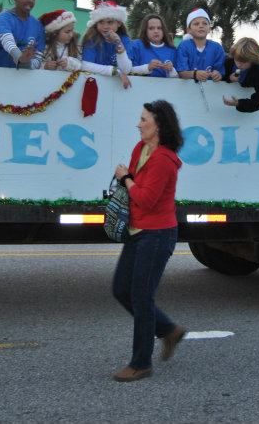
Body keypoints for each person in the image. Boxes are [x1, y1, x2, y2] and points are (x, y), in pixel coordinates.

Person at [111, 100, 185, 382]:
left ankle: (141, 363)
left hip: (157, 235)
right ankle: (169, 330)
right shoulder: (140, 149)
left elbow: (146, 199)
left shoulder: (164, 160)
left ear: (159, 126)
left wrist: (126, 178)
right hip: (137, 230)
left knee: (141, 298)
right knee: (120, 289)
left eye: (144, 120)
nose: (139, 124)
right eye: (140, 119)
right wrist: (128, 181)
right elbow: (133, 192)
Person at [40, 9, 127, 81]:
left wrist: (70, 63)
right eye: (67, 32)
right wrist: (45, 66)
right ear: (54, 33)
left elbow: (81, 65)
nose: (71, 34)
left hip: (68, 86)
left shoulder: (75, 46)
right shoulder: (45, 47)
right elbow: (35, 65)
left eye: (72, 30)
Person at [80, 1, 133, 88]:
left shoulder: (124, 39)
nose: (105, 26)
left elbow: (126, 70)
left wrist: (118, 44)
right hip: (94, 85)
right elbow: (86, 65)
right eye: (101, 22)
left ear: (119, 23)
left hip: (117, 88)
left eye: (110, 22)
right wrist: (115, 71)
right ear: (96, 23)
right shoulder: (92, 39)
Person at [223, 38, 259, 112]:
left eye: (244, 61)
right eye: (237, 59)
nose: (239, 64)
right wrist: (228, 78)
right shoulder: (229, 61)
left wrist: (239, 103)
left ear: (253, 60)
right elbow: (218, 77)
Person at [175, 8, 225, 81]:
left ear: (209, 29)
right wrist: (194, 74)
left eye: (205, 23)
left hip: (210, 89)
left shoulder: (217, 47)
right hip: (187, 89)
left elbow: (220, 71)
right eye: (196, 24)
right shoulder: (184, 46)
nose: (201, 26)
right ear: (188, 30)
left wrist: (217, 75)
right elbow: (181, 73)